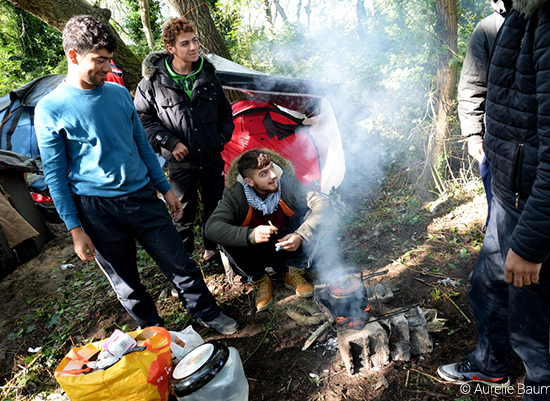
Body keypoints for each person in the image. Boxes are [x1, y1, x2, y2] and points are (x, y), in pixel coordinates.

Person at [34, 15, 237, 335]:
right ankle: (155, 334)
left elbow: (143, 146)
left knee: (180, 263)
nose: (107, 67)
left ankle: (207, 312)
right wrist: (75, 229)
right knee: (126, 282)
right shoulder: (50, 108)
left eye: (109, 60)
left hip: (142, 196)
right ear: (73, 56)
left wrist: (165, 189)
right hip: (97, 210)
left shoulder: (117, 95)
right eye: (99, 61)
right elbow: (56, 176)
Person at [438, 0, 550, 399]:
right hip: (510, 195)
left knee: (538, 325)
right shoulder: (521, 15)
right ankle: (489, 366)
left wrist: (529, 246)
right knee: (487, 285)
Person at [134, 17, 234, 261]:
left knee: (215, 208)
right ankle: (185, 262)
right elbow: (142, 119)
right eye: (185, 43)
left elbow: (226, 114)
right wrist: (169, 142)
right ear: (170, 49)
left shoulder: (209, 76)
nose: (193, 47)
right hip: (181, 163)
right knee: (182, 212)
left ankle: (214, 250)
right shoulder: (152, 82)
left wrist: (220, 139)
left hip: (212, 158)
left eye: (195, 40)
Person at [205, 148, 332, 311]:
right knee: (225, 237)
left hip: (289, 243)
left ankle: (294, 270)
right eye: (263, 174)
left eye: (272, 168)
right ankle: (260, 279)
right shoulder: (235, 194)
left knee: (311, 215)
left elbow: (323, 203)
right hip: (256, 252)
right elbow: (211, 228)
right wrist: (250, 234)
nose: (273, 175)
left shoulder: (286, 183)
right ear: (249, 182)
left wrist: (300, 235)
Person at [457, 1, 506, 224]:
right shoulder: (487, 28)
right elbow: (472, 85)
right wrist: (474, 135)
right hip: (496, 141)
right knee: (498, 215)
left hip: (540, 144)